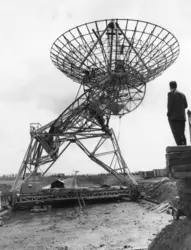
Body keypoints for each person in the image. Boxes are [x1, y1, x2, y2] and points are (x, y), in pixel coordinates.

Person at [167, 81, 188, 145]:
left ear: (170, 87)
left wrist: (168, 113)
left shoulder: (170, 94)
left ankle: (180, 147)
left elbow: (170, 105)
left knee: (177, 135)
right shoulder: (182, 94)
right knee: (182, 134)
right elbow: (186, 105)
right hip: (182, 117)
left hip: (174, 118)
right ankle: (184, 147)